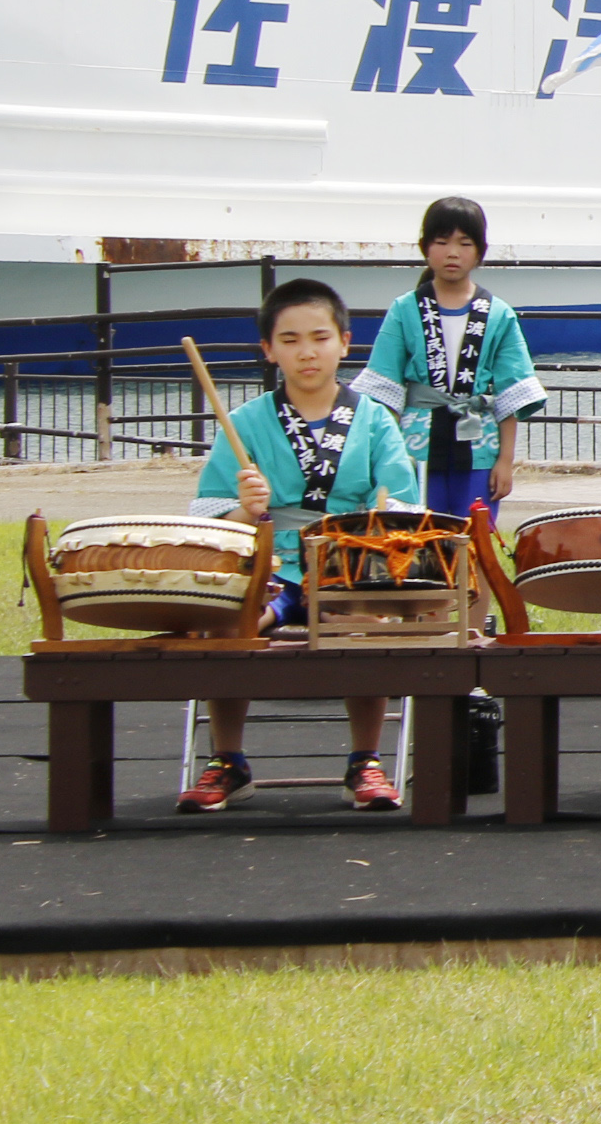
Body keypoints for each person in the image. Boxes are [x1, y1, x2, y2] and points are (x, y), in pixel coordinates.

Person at [178, 278, 423, 813]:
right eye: (289, 340)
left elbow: (403, 508)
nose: (306, 352)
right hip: (272, 563)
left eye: (318, 337)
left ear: (345, 342)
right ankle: (227, 760)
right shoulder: (243, 423)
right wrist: (245, 507)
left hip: (345, 564)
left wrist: (376, 521)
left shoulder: (376, 420)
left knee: (366, 620)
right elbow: (208, 520)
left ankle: (366, 759)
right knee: (229, 620)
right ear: (268, 350)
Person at [358, 197, 546, 521]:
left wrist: (505, 460)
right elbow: (384, 389)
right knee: (419, 539)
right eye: (442, 242)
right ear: (425, 247)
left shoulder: (499, 314)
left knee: (473, 541)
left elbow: (511, 392)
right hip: (415, 449)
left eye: (464, 243)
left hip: (480, 446)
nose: (452, 252)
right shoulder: (404, 309)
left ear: (480, 251)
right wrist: (385, 458)